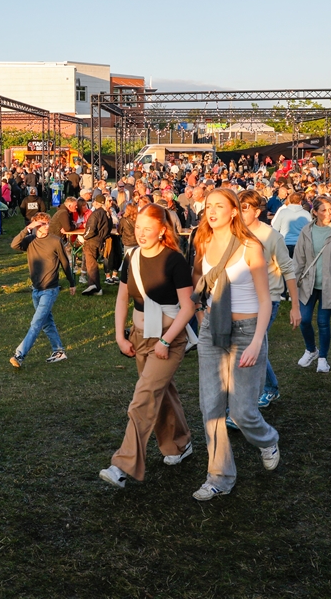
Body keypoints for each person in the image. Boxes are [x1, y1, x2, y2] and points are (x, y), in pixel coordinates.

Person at [99, 204, 196, 489]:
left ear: (162, 230)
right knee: (161, 394)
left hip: (169, 337)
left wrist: (166, 341)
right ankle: (180, 445)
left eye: (147, 228)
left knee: (143, 398)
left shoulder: (174, 260)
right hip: (140, 336)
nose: (141, 233)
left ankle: (122, 465)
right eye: (137, 226)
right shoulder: (131, 257)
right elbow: (121, 299)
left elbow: (188, 307)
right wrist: (120, 336)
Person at [191, 188, 279, 501]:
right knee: (211, 406)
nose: (211, 211)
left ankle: (268, 439)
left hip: (247, 332)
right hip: (212, 330)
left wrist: (257, 341)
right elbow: (202, 287)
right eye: (208, 206)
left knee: (242, 412)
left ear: (233, 211)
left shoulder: (251, 246)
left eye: (219, 206)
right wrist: (204, 316)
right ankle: (219, 477)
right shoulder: (202, 241)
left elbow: (265, 300)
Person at [238, 190, 301, 408]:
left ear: (257, 211)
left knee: (253, 345)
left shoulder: (272, 236)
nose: (240, 211)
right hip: (241, 299)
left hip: (269, 299)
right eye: (239, 206)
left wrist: (295, 306)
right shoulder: (234, 233)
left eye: (245, 207)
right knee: (245, 345)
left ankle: (265, 391)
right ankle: (258, 391)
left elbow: (288, 270)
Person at [292, 197, 331, 373]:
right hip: (307, 283)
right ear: (315, 212)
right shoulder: (306, 231)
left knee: (323, 321)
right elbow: (298, 260)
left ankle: (323, 358)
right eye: (324, 210)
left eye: (330, 209)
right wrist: (293, 285)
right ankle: (311, 350)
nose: (328, 213)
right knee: (303, 320)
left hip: (330, 284)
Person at [9, 212, 76, 367]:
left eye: (47, 223)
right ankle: (58, 351)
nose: (46, 226)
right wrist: (28, 229)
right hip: (36, 290)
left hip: (50, 289)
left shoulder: (55, 241)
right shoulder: (30, 241)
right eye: (42, 224)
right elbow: (14, 245)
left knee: (36, 323)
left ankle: (19, 355)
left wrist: (72, 282)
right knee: (46, 323)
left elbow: (65, 263)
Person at [80, 195, 112, 296]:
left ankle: (95, 286)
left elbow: (91, 229)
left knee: (91, 264)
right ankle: (92, 284)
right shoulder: (107, 214)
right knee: (93, 263)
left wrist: (85, 236)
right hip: (101, 241)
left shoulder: (96, 214)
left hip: (92, 241)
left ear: (96, 202)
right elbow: (109, 228)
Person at [271, 192, 311, 257]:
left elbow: (275, 228)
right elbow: (309, 231)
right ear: (300, 202)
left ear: (289, 200)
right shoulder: (306, 214)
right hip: (300, 244)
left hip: (285, 243)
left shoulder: (283, 212)